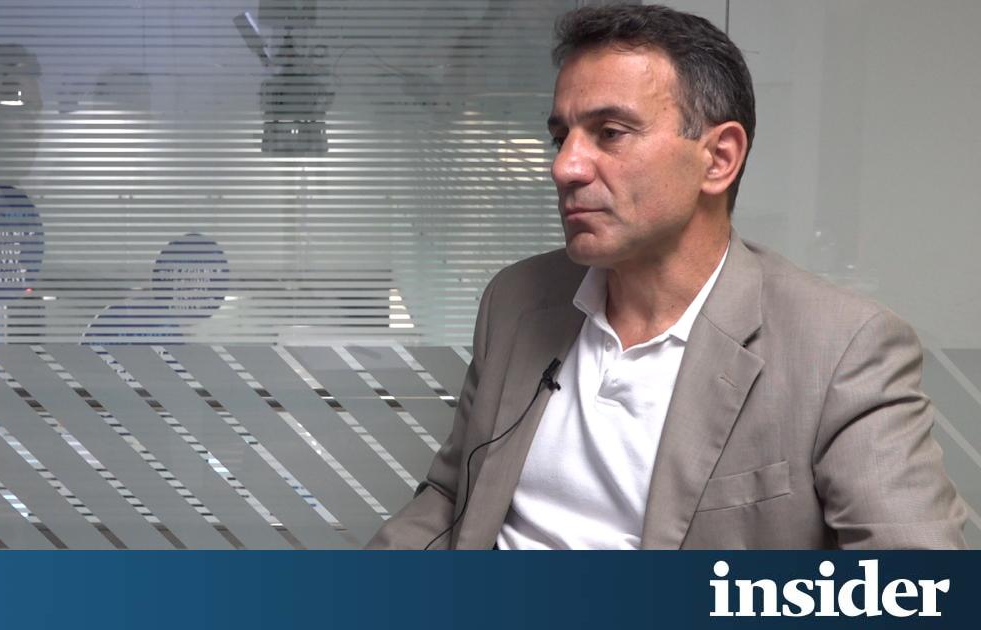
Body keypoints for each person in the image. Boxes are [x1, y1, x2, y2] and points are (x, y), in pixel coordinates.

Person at [367, 4, 966, 550]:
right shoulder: (517, 300)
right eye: (560, 136)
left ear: (718, 159)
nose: (564, 167)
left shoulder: (840, 349)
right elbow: (452, 496)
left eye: (610, 133)